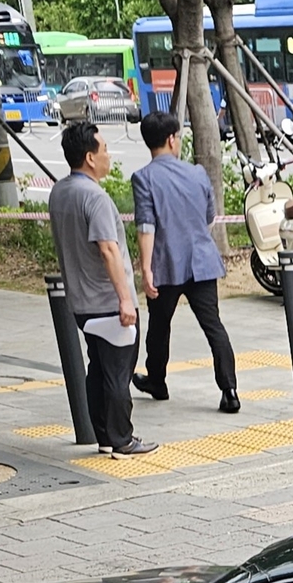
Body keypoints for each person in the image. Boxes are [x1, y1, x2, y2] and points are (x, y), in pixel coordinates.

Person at [48, 122, 153, 459]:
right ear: (91, 158)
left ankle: (104, 435)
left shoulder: (60, 192)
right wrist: (126, 299)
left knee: (98, 368)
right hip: (108, 301)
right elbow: (108, 250)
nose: (109, 155)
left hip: (80, 303)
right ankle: (122, 439)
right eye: (105, 149)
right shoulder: (95, 197)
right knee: (118, 374)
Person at [129, 111, 240, 415]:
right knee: (213, 324)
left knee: (160, 324)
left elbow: (146, 226)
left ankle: (157, 380)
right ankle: (229, 390)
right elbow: (209, 217)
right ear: (172, 139)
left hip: (167, 264)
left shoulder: (143, 178)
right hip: (202, 262)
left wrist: (146, 269)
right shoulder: (198, 174)